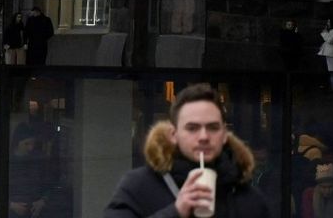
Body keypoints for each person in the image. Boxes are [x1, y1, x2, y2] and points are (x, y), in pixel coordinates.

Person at [103, 83, 271, 218]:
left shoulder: (248, 199)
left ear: (225, 135)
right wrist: (176, 211)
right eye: (192, 128)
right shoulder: (139, 187)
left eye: (213, 127)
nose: (204, 136)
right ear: (174, 135)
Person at [319, 19, 333, 91]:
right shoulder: (332, 31)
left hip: (332, 53)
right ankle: (331, 87)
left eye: (329, 22)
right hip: (328, 53)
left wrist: (324, 33)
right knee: (330, 71)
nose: (328, 23)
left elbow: (329, 40)